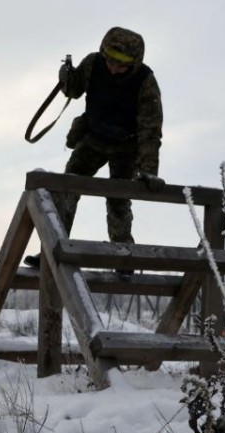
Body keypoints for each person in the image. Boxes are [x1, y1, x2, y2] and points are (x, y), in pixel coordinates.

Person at [24, 27, 164, 275]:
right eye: (110, 60)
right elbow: (74, 89)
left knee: (119, 199)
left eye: (120, 64)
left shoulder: (146, 82)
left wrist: (148, 170)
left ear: (134, 62)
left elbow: (150, 131)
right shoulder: (93, 64)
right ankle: (53, 246)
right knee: (67, 188)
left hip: (126, 146)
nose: (113, 68)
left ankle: (123, 257)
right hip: (93, 138)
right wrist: (67, 77)